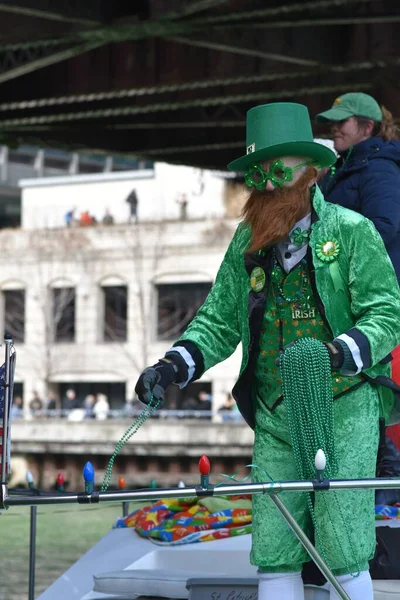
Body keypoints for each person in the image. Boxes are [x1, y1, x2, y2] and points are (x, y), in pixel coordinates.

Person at [135, 102, 400, 600]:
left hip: (343, 406)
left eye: (280, 170)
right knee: (274, 547)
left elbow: (387, 312)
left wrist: (340, 351)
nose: (269, 183)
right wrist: (173, 365)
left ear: (311, 173)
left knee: (344, 544)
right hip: (276, 413)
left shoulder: (351, 231)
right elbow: (218, 320)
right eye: (259, 172)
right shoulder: (246, 244)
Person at [316, 92, 400, 281]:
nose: (334, 128)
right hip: (352, 281)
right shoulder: (341, 169)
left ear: (367, 127)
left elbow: (383, 227)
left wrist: (335, 257)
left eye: (342, 121)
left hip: (376, 286)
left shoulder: (379, 168)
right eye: (332, 122)